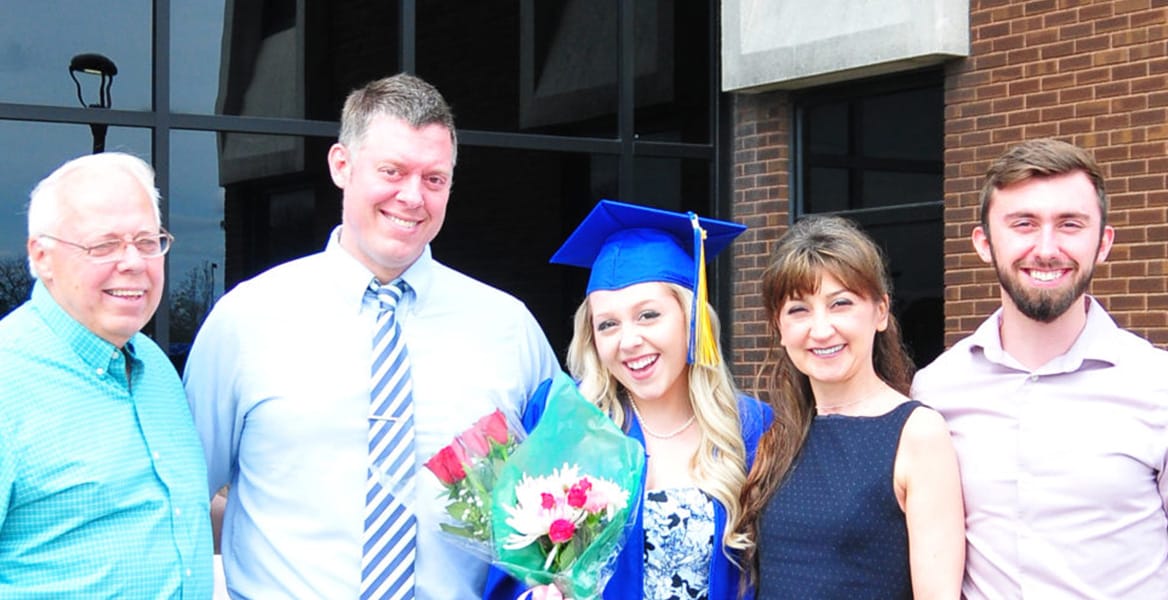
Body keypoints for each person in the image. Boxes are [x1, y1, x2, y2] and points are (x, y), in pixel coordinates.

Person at [183, 73, 560, 598]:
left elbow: (561, 492)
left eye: (434, 178)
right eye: (392, 171)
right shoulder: (246, 321)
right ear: (342, 165)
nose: (412, 196)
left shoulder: (507, 327)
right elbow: (182, 498)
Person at [911, 138, 1168, 597]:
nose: (1046, 248)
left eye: (1070, 224)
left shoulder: (1157, 385)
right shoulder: (936, 390)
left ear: (1103, 242)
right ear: (984, 243)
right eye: (1023, 224)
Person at [485, 199, 773, 599]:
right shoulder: (569, 426)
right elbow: (513, 568)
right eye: (607, 325)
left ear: (691, 319)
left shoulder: (753, 429)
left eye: (648, 315)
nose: (629, 341)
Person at [0, 152, 213, 597]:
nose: (133, 262)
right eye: (105, 245)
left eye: (147, 241)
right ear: (41, 257)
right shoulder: (8, 380)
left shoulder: (154, 367)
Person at [736, 215, 965, 599]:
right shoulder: (777, 436)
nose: (821, 329)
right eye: (799, 310)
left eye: (840, 304)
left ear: (880, 312)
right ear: (779, 327)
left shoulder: (917, 434)